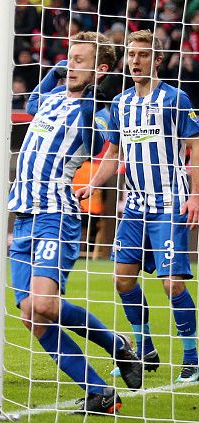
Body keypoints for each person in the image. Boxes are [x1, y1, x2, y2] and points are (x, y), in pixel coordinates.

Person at [10, 32, 143, 415]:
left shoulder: (96, 109)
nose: (71, 66)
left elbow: (99, 136)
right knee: (31, 316)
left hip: (55, 214)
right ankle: (100, 391)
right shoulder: (51, 97)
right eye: (70, 58)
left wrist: (90, 95)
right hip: (23, 215)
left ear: (100, 70)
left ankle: (117, 345)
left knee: (44, 304)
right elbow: (31, 102)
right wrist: (55, 70)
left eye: (80, 61)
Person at [77, 29, 199, 384]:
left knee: (172, 284)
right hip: (133, 206)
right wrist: (93, 184)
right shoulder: (121, 103)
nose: (135, 61)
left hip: (169, 201)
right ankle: (145, 351)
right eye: (131, 54)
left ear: (157, 60)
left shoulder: (175, 98)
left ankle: (192, 359)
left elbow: (195, 147)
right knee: (122, 278)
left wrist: (195, 195)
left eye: (143, 55)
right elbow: (113, 154)